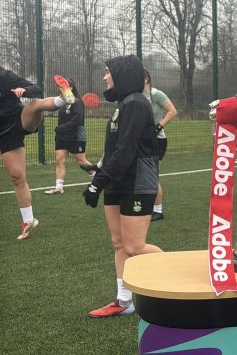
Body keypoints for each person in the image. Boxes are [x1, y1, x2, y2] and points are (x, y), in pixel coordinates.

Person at [82, 55, 162, 317]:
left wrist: (97, 183)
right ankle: (124, 301)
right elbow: (115, 150)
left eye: (108, 72)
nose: (105, 77)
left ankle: (172, 283)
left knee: (134, 247)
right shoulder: (122, 104)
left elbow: (127, 151)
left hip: (137, 182)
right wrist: (100, 171)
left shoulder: (137, 104)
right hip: (118, 181)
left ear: (123, 75)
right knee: (119, 244)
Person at [1, 66, 75, 240]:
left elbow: (36, 89)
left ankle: (63, 99)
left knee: (35, 105)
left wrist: (23, 90)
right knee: (17, 177)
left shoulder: (5, 76)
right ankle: (30, 220)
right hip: (3, 135)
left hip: (17, 121)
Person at [44, 77, 93, 194]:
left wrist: (61, 128)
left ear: (70, 88)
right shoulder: (61, 102)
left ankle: (98, 178)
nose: (59, 88)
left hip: (76, 136)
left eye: (62, 86)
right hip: (62, 136)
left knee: (81, 160)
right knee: (60, 160)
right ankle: (59, 188)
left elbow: (76, 121)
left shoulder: (77, 102)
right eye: (59, 86)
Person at [143, 69, 177, 221]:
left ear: (146, 79)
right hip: (143, 140)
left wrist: (158, 127)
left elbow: (172, 111)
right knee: (143, 175)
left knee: (152, 175)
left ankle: (158, 210)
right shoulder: (136, 96)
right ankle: (147, 206)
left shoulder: (156, 94)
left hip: (157, 140)